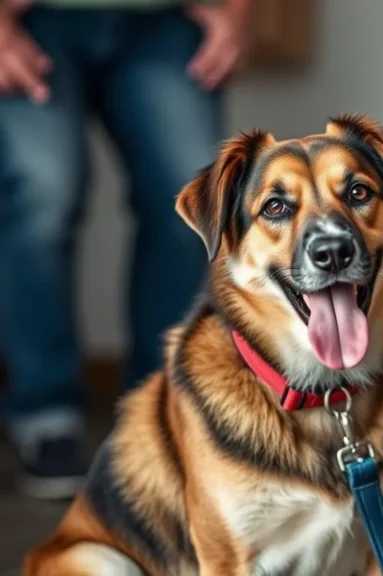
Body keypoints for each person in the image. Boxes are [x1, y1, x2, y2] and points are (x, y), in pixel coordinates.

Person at [0, 0, 252, 499]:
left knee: (192, 199)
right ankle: (44, 408)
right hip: (30, 17)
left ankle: (156, 407)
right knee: (42, 189)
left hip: (166, 18)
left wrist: (240, 12)